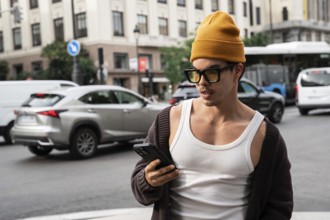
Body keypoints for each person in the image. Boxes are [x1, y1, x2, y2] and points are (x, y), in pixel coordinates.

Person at [131, 11, 293, 220]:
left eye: (212, 72)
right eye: (196, 72)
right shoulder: (169, 120)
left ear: (237, 70)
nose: (201, 82)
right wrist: (148, 180)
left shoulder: (265, 135)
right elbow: (139, 188)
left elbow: (280, 208)